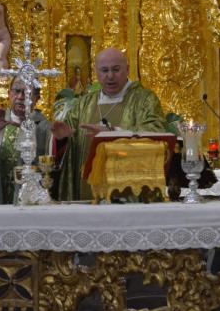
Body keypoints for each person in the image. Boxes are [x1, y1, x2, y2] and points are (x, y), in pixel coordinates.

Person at [51, 48, 168, 201]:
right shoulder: (84, 103)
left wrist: (115, 132)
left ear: (127, 70)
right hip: (87, 189)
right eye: (104, 70)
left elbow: (157, 131)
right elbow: (69, 136)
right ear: (96, 72)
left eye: (116, 69)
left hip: (130, 189)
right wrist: (62, 138)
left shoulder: (144, 99)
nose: (110, 76)